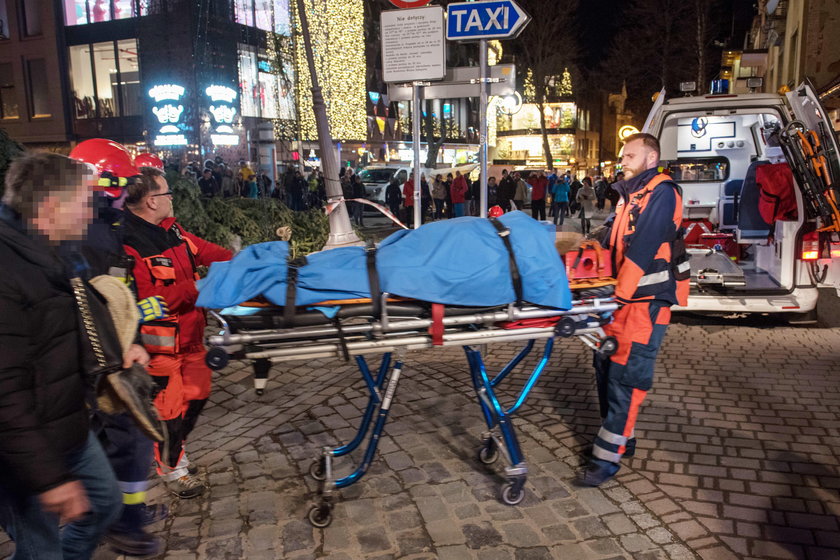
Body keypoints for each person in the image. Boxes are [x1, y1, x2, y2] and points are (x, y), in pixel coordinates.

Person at [0, 152, 123, 558]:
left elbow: (78, 324)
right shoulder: (7, 271)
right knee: (40, 550)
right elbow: (5, 392)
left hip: (65, 423)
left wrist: (122, 351)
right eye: (85, 202)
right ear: (51, 208)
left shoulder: (57, 253)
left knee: (104, 504)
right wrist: (50, 479)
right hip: (22, 449)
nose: (92, 213)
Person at [68, 140, 170, 556]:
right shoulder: (90, 234)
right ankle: (124, 522)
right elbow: (90, 304)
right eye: (121, 182)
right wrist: (129, 329)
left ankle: (119, 514)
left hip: (110, 348)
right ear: (102, 182)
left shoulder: (102, 226)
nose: (126, 191)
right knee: (131, 437)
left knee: (112, 437)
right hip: (103, 355)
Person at [578, 133, 687, 487]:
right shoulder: (631, 194)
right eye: (623, 155)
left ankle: (605, 461)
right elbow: (613, 239)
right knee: (606, 366)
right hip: (621, 300)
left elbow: (643, 249)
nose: (622, 160)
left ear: (651, 157)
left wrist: (619, 296)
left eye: (629, 155)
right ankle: (622, 439)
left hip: (644, 303)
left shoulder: (663, 192)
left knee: (627, 377)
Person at [121, 168, 232, 499]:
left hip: (192, 338)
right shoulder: (129, 247)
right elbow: (146, 303)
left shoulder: (174, 231)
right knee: (169, 412)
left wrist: (241, 262)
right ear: (152, 201)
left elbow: (207, 251)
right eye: (168, 193)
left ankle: (175, 454)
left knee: (197, 397)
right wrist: (199, 286)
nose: (173, 198)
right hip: (161, 348)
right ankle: (172, 469)